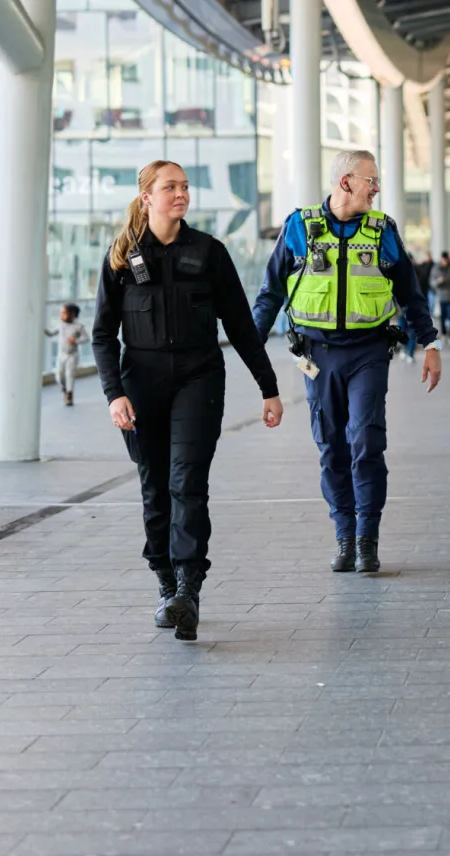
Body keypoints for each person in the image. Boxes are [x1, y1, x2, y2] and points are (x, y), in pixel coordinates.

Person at [92, 160, 283, 642]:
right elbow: (101, 336)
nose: (181, 194)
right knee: (155, 487)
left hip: (198, 380)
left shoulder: (210, 252)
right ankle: (164, 581)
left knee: (187, 483)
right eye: (169, 187)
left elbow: (240, 325)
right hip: (141, 387)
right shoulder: (121, 257)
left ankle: (188, 589)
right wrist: (114, 395)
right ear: (146, 198)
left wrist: (269, 388)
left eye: (184, 186)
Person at [253, 150, 442, 573]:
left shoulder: (382, 231)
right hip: (316, 356)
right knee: (332, 447)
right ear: (346, 182)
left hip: (368, 353)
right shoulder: (300, 228)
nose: (376, 189)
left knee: (366, 440)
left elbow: (410, 294)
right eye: (370, 180)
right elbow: (270, 294)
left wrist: (431, 344)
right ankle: (343, 534)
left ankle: (367, 538)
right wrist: (252, 350)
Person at [46, 302, 88, 406]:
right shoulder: (60, 325)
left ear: (72, 314)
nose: (61, 316)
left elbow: (86, 338)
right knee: (59, 375)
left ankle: (69, 393)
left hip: (72, 354)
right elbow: (51, 333)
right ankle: (64, 389)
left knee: (70, 374)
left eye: (64, 313)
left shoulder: (79, 326)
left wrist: (76, 340)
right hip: (61, 354)